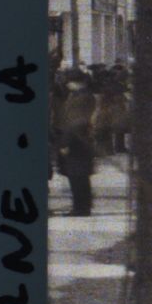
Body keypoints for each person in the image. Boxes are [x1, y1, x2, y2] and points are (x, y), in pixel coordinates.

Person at [57, 74, 99, 216]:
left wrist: (66, 142)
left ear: (77, 82)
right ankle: (82, 206)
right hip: (80, 141)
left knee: (77, 177)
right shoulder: (81, 96)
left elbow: (75, 122)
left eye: (69, 82)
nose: (67, 85)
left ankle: (80, 208)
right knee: (80, 176)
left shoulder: (81, 98)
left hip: (77, 142)